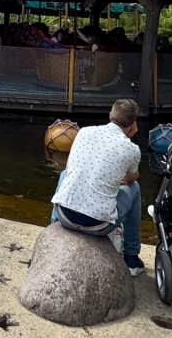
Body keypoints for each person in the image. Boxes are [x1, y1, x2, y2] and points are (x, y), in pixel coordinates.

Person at [50, 98, 144, 276]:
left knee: (64, 175)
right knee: (135, 189)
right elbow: (132, 178)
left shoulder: (84, 132)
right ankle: (132, 258)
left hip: (65, 216)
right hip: (97, 225)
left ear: (110, 115)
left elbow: (70, 167)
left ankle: (53, 228)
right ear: (133, 125)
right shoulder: (131, 148)